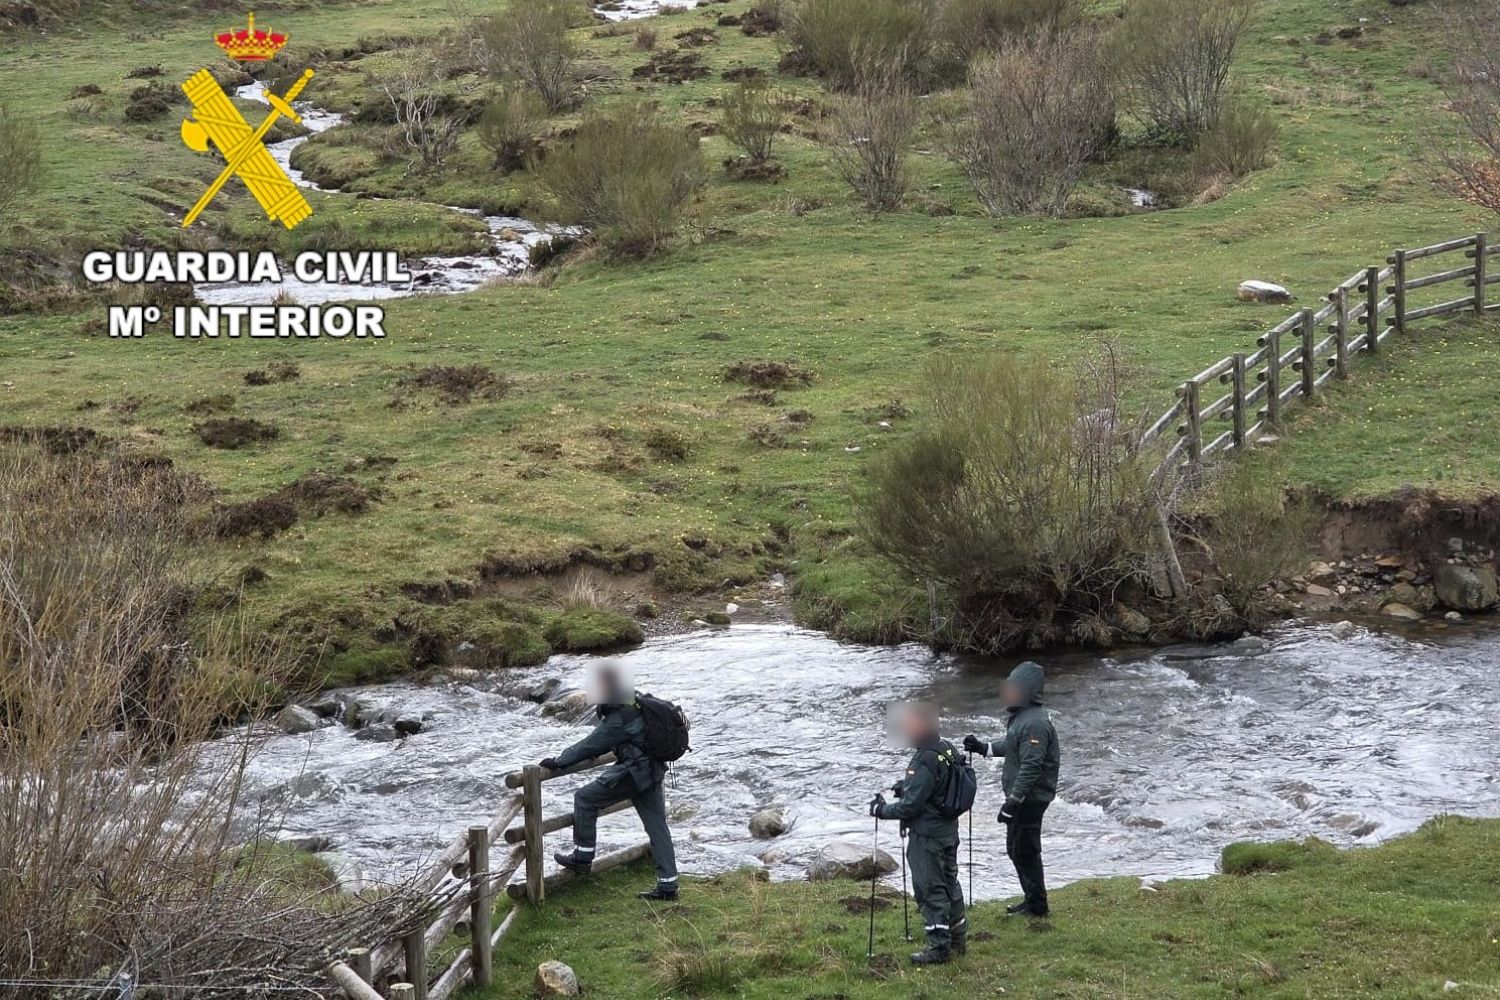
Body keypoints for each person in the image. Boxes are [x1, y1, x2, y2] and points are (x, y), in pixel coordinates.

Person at [541, 663, 680, 901]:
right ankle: (668, 885)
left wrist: (559, 761)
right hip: (653, 771)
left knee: (584, 799)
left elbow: (591, 744)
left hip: (635, 774)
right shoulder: (635, 701)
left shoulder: (619, 715)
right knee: (657, 827)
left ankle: (582, 857)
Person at [869, 702, 967, 965]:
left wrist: (881, 810)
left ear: (922, 725)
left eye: (910, 723)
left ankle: (938, 948)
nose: (905, 728)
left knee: (929, 888)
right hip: (948, 831)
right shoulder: (946, 748)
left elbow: (912, 806)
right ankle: (959, 939)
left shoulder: (923, 758)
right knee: (950, 883)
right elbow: (939, 786)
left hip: (927, 837)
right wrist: (908, 786)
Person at [963, 661, 1060, 919]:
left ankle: (1037, 906)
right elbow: (1012, 745)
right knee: (1017, 848)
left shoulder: (1035, 723)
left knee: (1025, 849)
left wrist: (1013, 801)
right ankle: (1032, 901)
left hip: (1030, 799)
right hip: (1023, 798)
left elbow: (1031, 765)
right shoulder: (1024, 718)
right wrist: (984, 748)